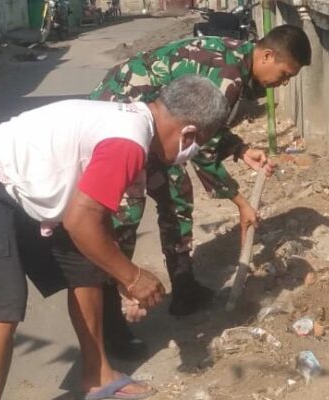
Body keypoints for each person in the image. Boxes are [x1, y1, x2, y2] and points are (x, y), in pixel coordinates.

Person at [0, 75, 229, 400]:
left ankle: (98, 376)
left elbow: (94, 217)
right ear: (188, 132)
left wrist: (117, 272)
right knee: (3, 308)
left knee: (87, 270)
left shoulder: (133, 126)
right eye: (199, 142)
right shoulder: (128, 142)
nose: (193, 151)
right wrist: (132, 277)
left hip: (26, 191)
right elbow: (80, 222)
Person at [89, 24, 312, 358]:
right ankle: (108, 323)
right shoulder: (228, 77)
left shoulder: (238, 62)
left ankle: (184, 287)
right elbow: (202, 149)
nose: (282, 84)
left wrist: (238, 149)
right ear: (267, 55)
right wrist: (240, 202)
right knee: (124, 215)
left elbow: (209, 129)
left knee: (176, 193)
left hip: (158, 127)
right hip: (121, 116)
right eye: (284, 74)